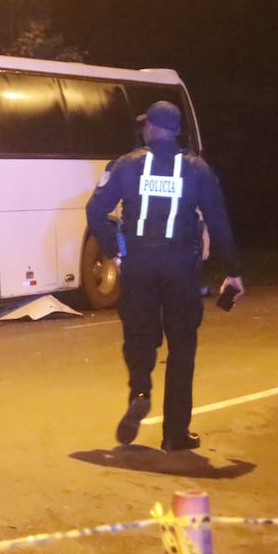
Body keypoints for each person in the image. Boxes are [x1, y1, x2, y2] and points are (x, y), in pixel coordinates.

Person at [85, 100, 244, 451]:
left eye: (146, 125)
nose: (142, 129)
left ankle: (140, 391)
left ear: (154, 127)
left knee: (139, 335)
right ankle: (175, 434)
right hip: (181, 268)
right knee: (182, 346)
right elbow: (218, 221)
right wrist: (232, 270)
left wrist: (114, 250)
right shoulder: (198, 170)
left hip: (139, 264)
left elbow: (95, 210)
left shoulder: (126, 166)